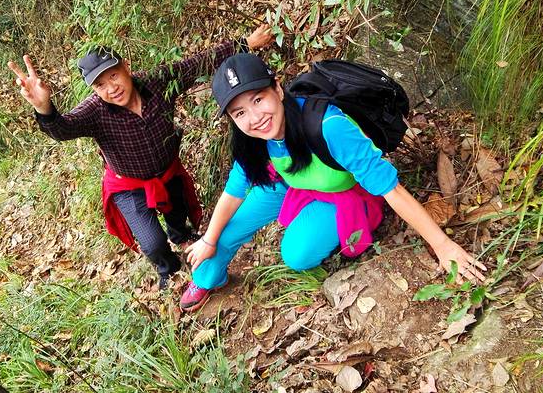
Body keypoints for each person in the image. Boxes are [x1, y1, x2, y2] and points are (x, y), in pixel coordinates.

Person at [180, 53, 486, 311]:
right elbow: (233, 193)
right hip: (293, 181)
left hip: (343, 191)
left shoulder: (329, 126)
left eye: (258, 99)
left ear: (278, 89)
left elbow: (391, 189)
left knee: (297, 254)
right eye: (240, 113)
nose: (255, 117)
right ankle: (208, 279)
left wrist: (443, 246)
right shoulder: (253, 140)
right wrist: (208, 240)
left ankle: (328, 220)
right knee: (225, 228)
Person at [7, 27, 274, 289]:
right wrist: (44, 107)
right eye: (100, 85)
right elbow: (64, 128)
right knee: (152, 243)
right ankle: (169, 269)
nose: (111, 88)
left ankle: (181, 235)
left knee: (178, 215)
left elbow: (195, 65)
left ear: (127, 66)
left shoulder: (156, 82)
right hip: (128, 185)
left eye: (113, 75)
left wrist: (245, 43)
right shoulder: (95, 111)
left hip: (167, 171)